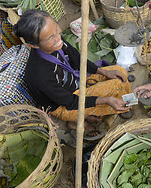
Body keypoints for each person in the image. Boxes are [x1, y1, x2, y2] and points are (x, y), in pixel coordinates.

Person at [13, 9, 132, 138]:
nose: (58, 37)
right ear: (34, 45)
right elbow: (70, 101)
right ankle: (77, 120)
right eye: (50, 37)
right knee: (116, 86)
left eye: (56, 29)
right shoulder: (40, 75)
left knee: (120, 72)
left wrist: (102, 71)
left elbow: (76, 58)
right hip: (64, 105)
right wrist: (107, 100)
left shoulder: (56, 42)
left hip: (75, 83)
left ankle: (119, 105)